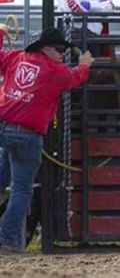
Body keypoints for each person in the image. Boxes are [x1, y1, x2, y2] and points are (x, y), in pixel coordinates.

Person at [0, 28, 93, 253]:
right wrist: (84, 65)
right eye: (59, 49)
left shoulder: (16, 57)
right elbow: (75, 78)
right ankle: (7, 239)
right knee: (22, 190)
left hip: (3, 125)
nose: (62, 54)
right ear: (45, 48)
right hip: (27, 134)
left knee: (3, 179)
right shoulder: (55, 71)